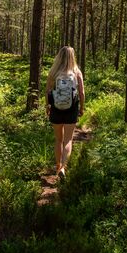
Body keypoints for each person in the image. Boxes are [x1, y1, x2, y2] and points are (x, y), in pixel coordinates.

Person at [45, 46, 85, 179]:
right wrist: (81, 108)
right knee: (68, 140)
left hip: (56, 108)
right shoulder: (76, 71)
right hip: (71, 108)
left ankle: (57, 167)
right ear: (72, 57)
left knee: (58, 139)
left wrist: (47, 106)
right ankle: (63, 167)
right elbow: (82, 93)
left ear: (59, 56)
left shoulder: (53, 71)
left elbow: (48, 91)